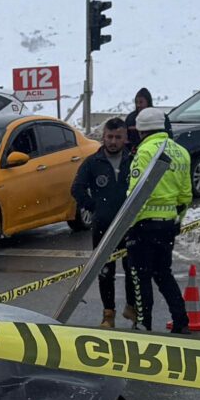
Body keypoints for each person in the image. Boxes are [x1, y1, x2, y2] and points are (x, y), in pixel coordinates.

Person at [123, 111, 194, 333]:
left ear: (142, 130)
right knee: (163, 273)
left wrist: (129, 226)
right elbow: (185, 195)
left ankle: (144, 324)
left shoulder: (144, 152)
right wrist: (176, 220)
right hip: (167, 225)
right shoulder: (181, 152)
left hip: (143, 225)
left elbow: (136, 194)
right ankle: (181, 321)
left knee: (140, 276)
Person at [71, 118, 134, 327]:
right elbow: (77, 188)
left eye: (118, 137)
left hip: (129, 225)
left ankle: (132, 308)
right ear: (103, 137)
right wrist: (95, 207)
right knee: (105, 271)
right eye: (109, 137)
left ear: (125, 138)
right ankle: (108, 314)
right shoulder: (92, 162)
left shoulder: (133, 160)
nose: (113, 141)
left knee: (132, 267)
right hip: (103, 226)